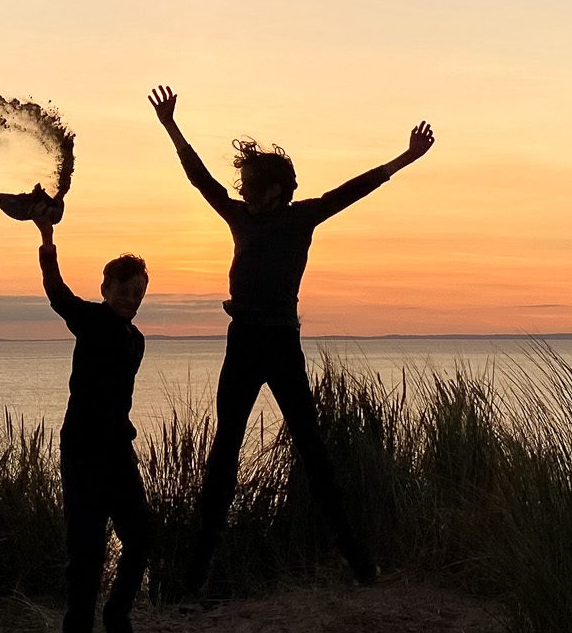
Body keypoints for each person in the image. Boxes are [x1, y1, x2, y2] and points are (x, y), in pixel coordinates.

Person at [147, 84, 435, 592]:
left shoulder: (301, 219)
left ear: (277, 190)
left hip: (282, 345)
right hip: (242, 344)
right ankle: (194, 579)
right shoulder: (238, 216)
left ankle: (360, 563)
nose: (242, 195)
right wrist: (171, 125)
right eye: (243, 188)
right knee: (224, 455)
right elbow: (200, 180)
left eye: (252, 188)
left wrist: (406, 158)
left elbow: (354, 188)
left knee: (313, 451)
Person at [19, 197, 153, 633]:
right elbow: (56, 292)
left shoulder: (137, 341)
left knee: (141, 538)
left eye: (138, 292)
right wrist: (46, 236)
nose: (130, 298)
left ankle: (117, 616)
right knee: (88, 549)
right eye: (123, 289)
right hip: (81, 452)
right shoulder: (90, 320)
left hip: (119, 451)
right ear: (106, 288)